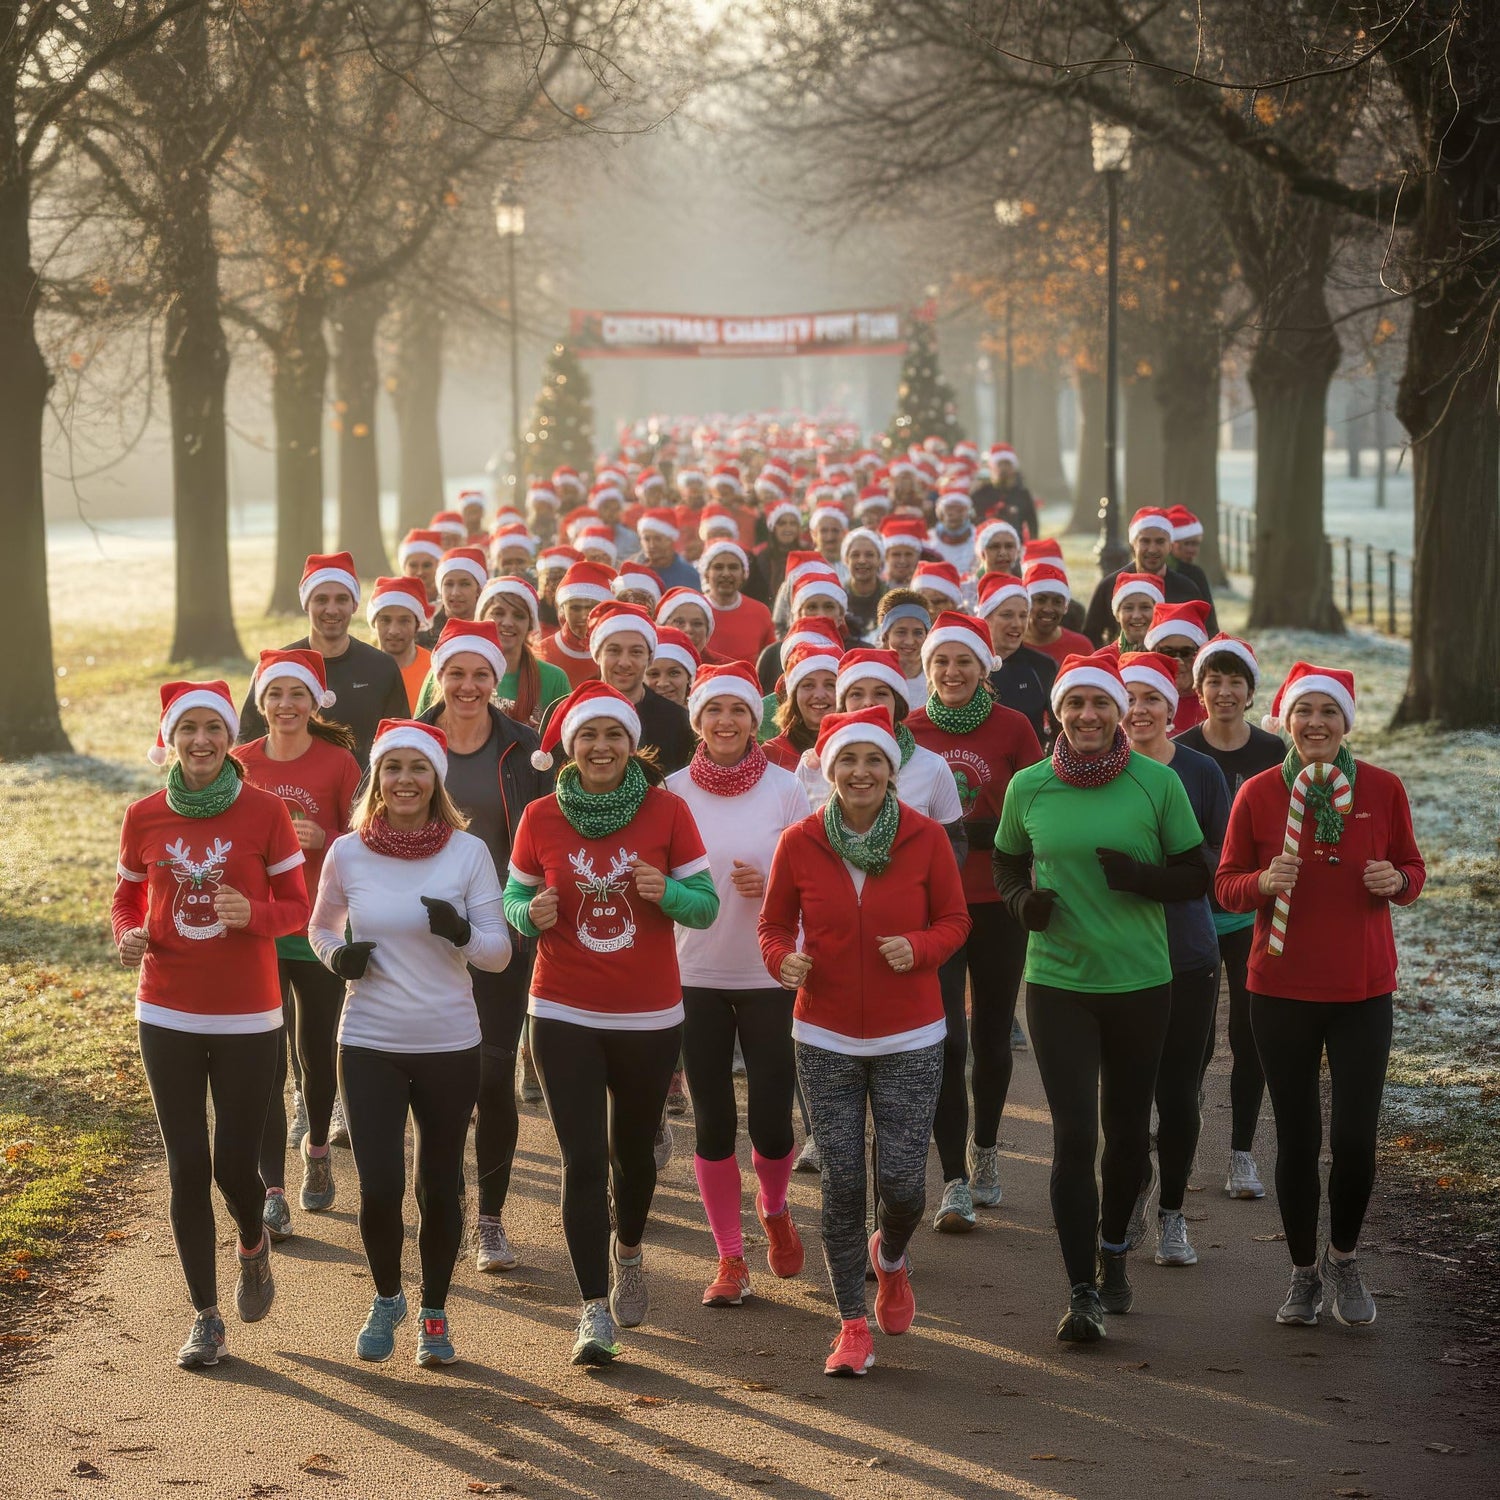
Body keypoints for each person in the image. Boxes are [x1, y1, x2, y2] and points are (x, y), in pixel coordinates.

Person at [993, 652, 1209, 1342]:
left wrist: (1143, 879)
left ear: (1119, 712)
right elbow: (1005, 860)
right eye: (1075, 704)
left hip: (1141, 983)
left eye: (1101, 704)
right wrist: (1021, 901)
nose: (1087, 715)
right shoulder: (1028, 786)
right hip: (1058, 982)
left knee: (1126, 1134)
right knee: (1075, 1135)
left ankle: (1115, 1250)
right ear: (1057, 712)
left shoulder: (1157, 783)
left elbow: (1196, 875)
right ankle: (1081, 1290)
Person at [502, 683, 720, 1364]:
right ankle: (593, 1309)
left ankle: (628, 1249)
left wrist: (670, 892)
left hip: (649, 1014)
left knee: (633, 1158)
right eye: (589, 736)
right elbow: (513, 896)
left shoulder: (668, 810)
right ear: (571, 747)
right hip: (561, 1008)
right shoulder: (539, 815)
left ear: (631, 743)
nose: (601, 747)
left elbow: (706, 906)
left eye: (613, 735)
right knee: (583, 1160)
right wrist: (527, 914)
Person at [758, 706, 970, 1376]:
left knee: (904, 1186)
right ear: (828, 769)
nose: (860, 771)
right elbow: (773, 925)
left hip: (911, 1034)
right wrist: (781, 960)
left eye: (873, 759)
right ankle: (852, 1323)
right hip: (823, 1034)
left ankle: (892, 1256)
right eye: (847, 759)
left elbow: (956, 920)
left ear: (891, 769)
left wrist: (920, 946)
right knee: (843, 1182)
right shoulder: (799, 841)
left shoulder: (925, 837)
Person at [1216, 663, 1424, 1327]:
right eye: (1303, 711)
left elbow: (1413, 869)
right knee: (1299, 1137)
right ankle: (1304, 1272)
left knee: (1357, 1139)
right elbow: (1225, 884)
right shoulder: (1258, 793)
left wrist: (1398, 880)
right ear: (1286, 720)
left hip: (1363, 989)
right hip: (1281, 989)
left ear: (1345, 723)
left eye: (1328, 712)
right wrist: (1260, 884)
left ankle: (1345, 1257)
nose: (1315, 723)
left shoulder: (1383, 789)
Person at [113, 680, 309, 1368]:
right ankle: (206, 1317)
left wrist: (252, 915)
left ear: (230, 738)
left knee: (232, 1165)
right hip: (165, 1008)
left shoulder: (266, 811)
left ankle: (252, 1243)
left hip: (249, 1014)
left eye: (213, 729)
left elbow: (299, 907)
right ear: (170, 739)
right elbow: (127, 897)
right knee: (187, 1167)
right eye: (188, 729)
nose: (201, 741)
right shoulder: (143, 816)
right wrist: (128, 933)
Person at [310, 719, 511, 1366]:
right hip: (369, 1038)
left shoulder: (468, 853)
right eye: (392, 767)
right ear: (377, 778)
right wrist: (337, 957)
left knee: (440, 1186)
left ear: (436, 779)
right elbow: (320, 927)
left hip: (449, 1041)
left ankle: (434, 1312)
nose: (404, 780)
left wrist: (462, 933)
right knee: (378, 1186)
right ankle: (388, 1296)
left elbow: (499, 954)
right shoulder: (347, 853)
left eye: (418, 768)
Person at [664, 664, 812, 1307]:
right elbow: (655, 879)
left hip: (769, 972)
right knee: (713, 1120)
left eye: (738, 711)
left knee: (773, 1123)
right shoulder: (670, 792)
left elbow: (814, 877)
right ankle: (729, 1257)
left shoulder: (787, 788)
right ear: (697, 720)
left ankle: (774, 1209)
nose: (725, 722)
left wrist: (773, 884)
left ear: (756, 719)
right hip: (693, 973)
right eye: (713, 711)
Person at [415, 619, 554, 1272]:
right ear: (439, 678)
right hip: (422, 938)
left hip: (501, 933)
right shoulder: (408, 744)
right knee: (437, 1080)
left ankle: (491, 1219)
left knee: (493, 1075)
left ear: (495, 679)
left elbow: (550, 833)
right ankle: (442, 1206)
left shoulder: (525, 749)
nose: (468, 686)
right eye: (456, 673)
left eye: (480, 674)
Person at [905, 615, 1042, 1227]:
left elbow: (1034, 807)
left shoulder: (1013, 726)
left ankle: (985, 1149)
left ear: (984, 668)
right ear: (927, 668)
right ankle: (953, 1179)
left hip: (999, 902)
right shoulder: (909, 731)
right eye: (942, 661)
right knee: (945, 1040)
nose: (952, 672)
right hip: (932, 906)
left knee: (990, 1036)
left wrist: (968, 834)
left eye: (964, 661)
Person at [233, 651, 361, 1242]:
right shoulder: (240, 762)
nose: (286, 704)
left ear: (314, 702)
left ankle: (316, 1148)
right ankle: (273, 1191)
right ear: (261, 703)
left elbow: (368, 835)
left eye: (297, 694)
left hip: (319, 926)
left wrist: (323, 835)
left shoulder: (338, 762)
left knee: (315, 1053)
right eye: (275, 694)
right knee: (266, 1061)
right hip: (259, 929)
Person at [1115, 653, 1230, 1268]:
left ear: (1170, 706)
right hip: (1116, 952)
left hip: (1186, 951)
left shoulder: (1201, 771)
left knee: (1180, 1092)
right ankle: (1133, 1187)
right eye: (1128, 698)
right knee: (1126, 1093)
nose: (1139, 710)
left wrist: (1151, 871)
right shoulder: (1097, 771)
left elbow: (1220, 862)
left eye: (1151, 699)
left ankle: (1173, 1213)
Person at [1175, 635, 1287, 1198]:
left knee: (1249, 1036)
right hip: (1191, 915)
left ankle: (1242, 1155)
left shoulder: (1274, 751)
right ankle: (1183, 1137)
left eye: (1235, 681)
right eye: (1213, 681)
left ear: (1250, 691)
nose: (1224, 691)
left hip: (1252, 916)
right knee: (1190, 1041)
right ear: (1198, 690)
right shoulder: (1180, 753)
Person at [237, 553, 407, 767]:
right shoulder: (276, 668)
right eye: (321, 599)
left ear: (355, 605)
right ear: (306, 604)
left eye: (342, 599)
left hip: (364, 788)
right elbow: (247, 744)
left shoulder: (381, 667)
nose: (332, 610)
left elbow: (400, 742)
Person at [413, 576, 569, 725]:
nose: (508, 622)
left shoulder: (554, 679)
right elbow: (419, 733)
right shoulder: (445, 673)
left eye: (519, 616)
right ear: (481, 617)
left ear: (530, 624)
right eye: (498, 613)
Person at [1082, 508, 1217, 647]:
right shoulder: (1108, 586)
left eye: (1160, 542)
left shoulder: (1188, 589)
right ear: (1133, 544)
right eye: (1145, 541)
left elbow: (1210, 634)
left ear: (1170, 545)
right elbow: (1090, 639)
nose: (1152, 549)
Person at [763, 640, 842, 809]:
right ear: (794, 695)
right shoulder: (772, 754)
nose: (819, 694)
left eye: (830, 685)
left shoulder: (861, 746)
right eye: (808, 685)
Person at [976, 572, 1055, 743]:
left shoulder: (1043, 666)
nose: (1017, 624)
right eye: (1007, 615)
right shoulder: (968, 665)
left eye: (1023, 615)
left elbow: (1058, 731)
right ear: (985, 618)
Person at [758, 566, 852, 689]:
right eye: (812, 607)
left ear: (841, 615)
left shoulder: (855, 653)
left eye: (828, 607)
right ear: (797, 614)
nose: (820, 614)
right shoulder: (772, 655)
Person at [536, 561, 612, 689]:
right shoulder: (542, 652)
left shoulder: (617, 650)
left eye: (592, 608)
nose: (584, 616)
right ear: (563, 610)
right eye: (575, 608)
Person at [702, 537, 777, 665]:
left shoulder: (760, 612)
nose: (726, 574)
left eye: (733, 567)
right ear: (706, 573)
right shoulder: (693, 610)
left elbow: (770, 662)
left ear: (744, 573)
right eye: (718, 567)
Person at [1143, 600, 1214, 735]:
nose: (1177, 661)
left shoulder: (1214, 702)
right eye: (1167, 653)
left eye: (1186, 652)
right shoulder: (1137, 703)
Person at [366, 576, 433, 716]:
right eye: (385, 620)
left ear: (417, 625)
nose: (394, 631)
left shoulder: (433, 670)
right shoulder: (360, 668)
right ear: (374, 623)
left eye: (404, 621)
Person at [1022, 562, 1093, 668]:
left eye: (1057, 602)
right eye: (1040, 600)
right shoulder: (1009, 644)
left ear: (1065, 607)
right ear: (1025, 603)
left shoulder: (1081, 647)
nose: (1048, 609)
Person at [876, 591, 931, 708]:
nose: (910, 641)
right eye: (901, 632)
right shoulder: (871, 678)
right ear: (885, 636)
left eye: (918, 633)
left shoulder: (937, 678)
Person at [970, 444, 1038, 537]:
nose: (1003, 468)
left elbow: (1032, 524)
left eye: (1007, 464)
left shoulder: (1022, 494)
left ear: (1013, 468)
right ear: (992, 467)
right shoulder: (980, 493)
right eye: (1000, 464)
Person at [636, 507, 702, 590]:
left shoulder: (688, 575)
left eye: (658, 539)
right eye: (646, 539)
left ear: (671, 540)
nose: (652, 545)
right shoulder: (633, 570)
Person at [841, 526, 888, 639]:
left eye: (869, 555)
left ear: (879, 560)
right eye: (855, 555)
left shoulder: (892, 599)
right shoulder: (837, 599)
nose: (862, 561)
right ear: (846, 560)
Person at [1165, 505, 1216, 604]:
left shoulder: (1196, 572)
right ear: (1172, 544)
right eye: (1187, 543)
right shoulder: (1164, 570)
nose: (1191, 549)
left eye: (1195, 544)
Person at [643, 626, 701, 708]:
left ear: (689, 677)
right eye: (654, 674)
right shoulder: (627, 715)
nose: (663, 683)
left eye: (674, 673)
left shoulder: (704, 715)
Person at [1109, 573, 1165, 652]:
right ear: (1117, 615)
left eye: (1145, 607)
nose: (1136, 616)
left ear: (1158, 614)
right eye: (1128, 608)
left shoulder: (1174, 655)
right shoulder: (1103, 658)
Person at [926, 489, 977, 573]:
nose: (954, 515)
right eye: (949, 510)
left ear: (968, 514)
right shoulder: (929, 539)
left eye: (959, 510)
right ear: (940, 514)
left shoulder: (978, 537)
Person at [398, 529, 445, 611]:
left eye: (426, 565)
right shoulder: (395, 600)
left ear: (438, 566)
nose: (420, 572)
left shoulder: (450, 601)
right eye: (413, 565)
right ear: (404, 567)